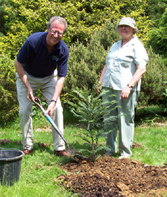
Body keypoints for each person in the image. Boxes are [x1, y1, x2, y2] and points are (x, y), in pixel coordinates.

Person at [15, 16, 70, 157]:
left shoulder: (63, 49)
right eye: (54, 31)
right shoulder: (33, 41)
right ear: (48, 29)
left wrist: (52, 102)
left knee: (57, 108)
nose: (56, 35)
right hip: (27, 77)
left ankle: (59, 148)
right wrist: (28, 87)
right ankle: (27, 146)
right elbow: (18, 64)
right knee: (25, 110)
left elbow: (61, 78)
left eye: (60, 33)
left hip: (48, 78)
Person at [98, 17, 149, 159]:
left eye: (127, 27)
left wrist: (129, 86)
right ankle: (109, 150)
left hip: (125, 89)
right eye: (121, 26)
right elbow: (107, 64)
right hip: (109, 87)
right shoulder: (115, 45)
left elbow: (141, 69)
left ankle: (125, 153)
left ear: (133, 29)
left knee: (125, 120)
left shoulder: (136, 46)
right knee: (109, 119)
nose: (123, 29)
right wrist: (101, 81)